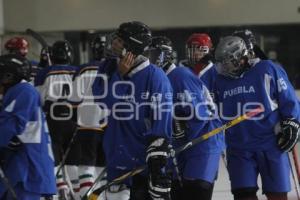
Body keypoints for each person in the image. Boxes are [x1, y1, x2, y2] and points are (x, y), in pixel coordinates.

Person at [92, 21, 173, 200]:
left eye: (119, 41)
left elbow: (161, 124)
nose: (113, 44)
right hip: (116, 160)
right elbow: (103, 101)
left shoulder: (156, 77)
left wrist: (157, 165)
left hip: (141, 165)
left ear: (132, 46)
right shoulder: (109, 67)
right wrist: (119, 76)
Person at [214, 36, 300, 200]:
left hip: (271, 145)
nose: (222, 66)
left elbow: (289, 99)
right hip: (239, 148)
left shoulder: (267, 69)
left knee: (277, 195)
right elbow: (212, 109)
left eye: (226, 61)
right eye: (221, 62)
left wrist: (292, 122)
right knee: (243, 194)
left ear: (239, 57)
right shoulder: (220, 80)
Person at [149, 36, 225, 200]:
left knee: (196, 190)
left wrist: (182, 125)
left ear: (164, 55)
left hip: (203, 141)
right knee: (177, 192)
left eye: (153, 54)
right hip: (180, 146)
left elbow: (201, 113)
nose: (149, 58)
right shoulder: (155, 79)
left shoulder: (180, 76)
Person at [0, 54, 56, 200]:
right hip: (23, 169)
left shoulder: (23, 91)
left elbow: (8, 129)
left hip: (27, 170)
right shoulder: (19, 92)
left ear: (9, 76)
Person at [34, 40, 79, 200]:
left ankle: (60, 188)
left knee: (53, 158)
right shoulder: (77, 70)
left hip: (52, 119)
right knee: (73, 159)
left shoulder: (44, 72)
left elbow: (37, 100)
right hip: (74, 118)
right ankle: (77, 191)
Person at [69, 34, 108, 198]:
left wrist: (74, 119)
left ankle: (86, 195)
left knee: (86, 165)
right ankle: (98, 196)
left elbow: (73, 100)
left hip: (86, 124)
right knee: (102, 166)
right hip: (108, 125)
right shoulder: (115, 69)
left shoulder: (83, 69)